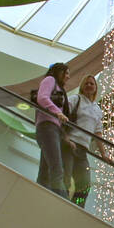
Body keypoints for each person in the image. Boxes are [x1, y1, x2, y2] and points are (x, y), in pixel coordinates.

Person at [62, 74, 101, 207]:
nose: (89, 85)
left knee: (84, 185)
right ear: (82, 87)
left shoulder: (97, 109)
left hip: (83, 150)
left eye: (92, 84)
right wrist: (65, 138)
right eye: (87, 83)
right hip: (69, 145)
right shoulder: (75, 99)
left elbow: (98, 133)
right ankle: (61, 204)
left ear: (96, 88)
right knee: (65, 179)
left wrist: (104, 154)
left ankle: (77, 208)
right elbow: (62, 116)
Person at [33, 62, 71, 197]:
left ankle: (39, 198)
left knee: (45, 171)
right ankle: (63, 202)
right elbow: (42, 98)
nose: (68, 77)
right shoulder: (50, 80)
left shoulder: (60, 89)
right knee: (57, 169)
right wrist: (58, 113)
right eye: (66, 73)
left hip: (52, 129)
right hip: (47, 128)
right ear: (58, 72)